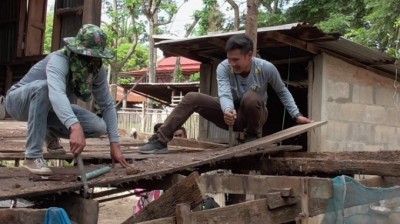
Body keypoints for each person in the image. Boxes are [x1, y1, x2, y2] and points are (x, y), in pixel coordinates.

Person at [138, 34, 313, 154]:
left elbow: (282, 91)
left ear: (249, 55)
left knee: (251, 97)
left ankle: (251, 136)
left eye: (236, 59)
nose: (232, 63)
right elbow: (224, 92)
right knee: (192, 98)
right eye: (229, 59)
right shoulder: (223, 67)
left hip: (255, 114)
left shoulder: (266, 68)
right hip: (230, 114)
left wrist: (296, 115)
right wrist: (228, 110)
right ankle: (159, 141)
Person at [5, 24, 128, 175]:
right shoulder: (59, 59)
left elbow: (108, 105)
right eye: (86, 55)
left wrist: (114, 143)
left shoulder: (96, 70)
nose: (90, 60)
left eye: (95, 56)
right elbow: (56, 93)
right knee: (45, 88)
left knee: (99, 126)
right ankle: (33, 155)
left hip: (50, 109)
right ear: (76, 49)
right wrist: (74, 126)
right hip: (18, 103)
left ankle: (49, 132)